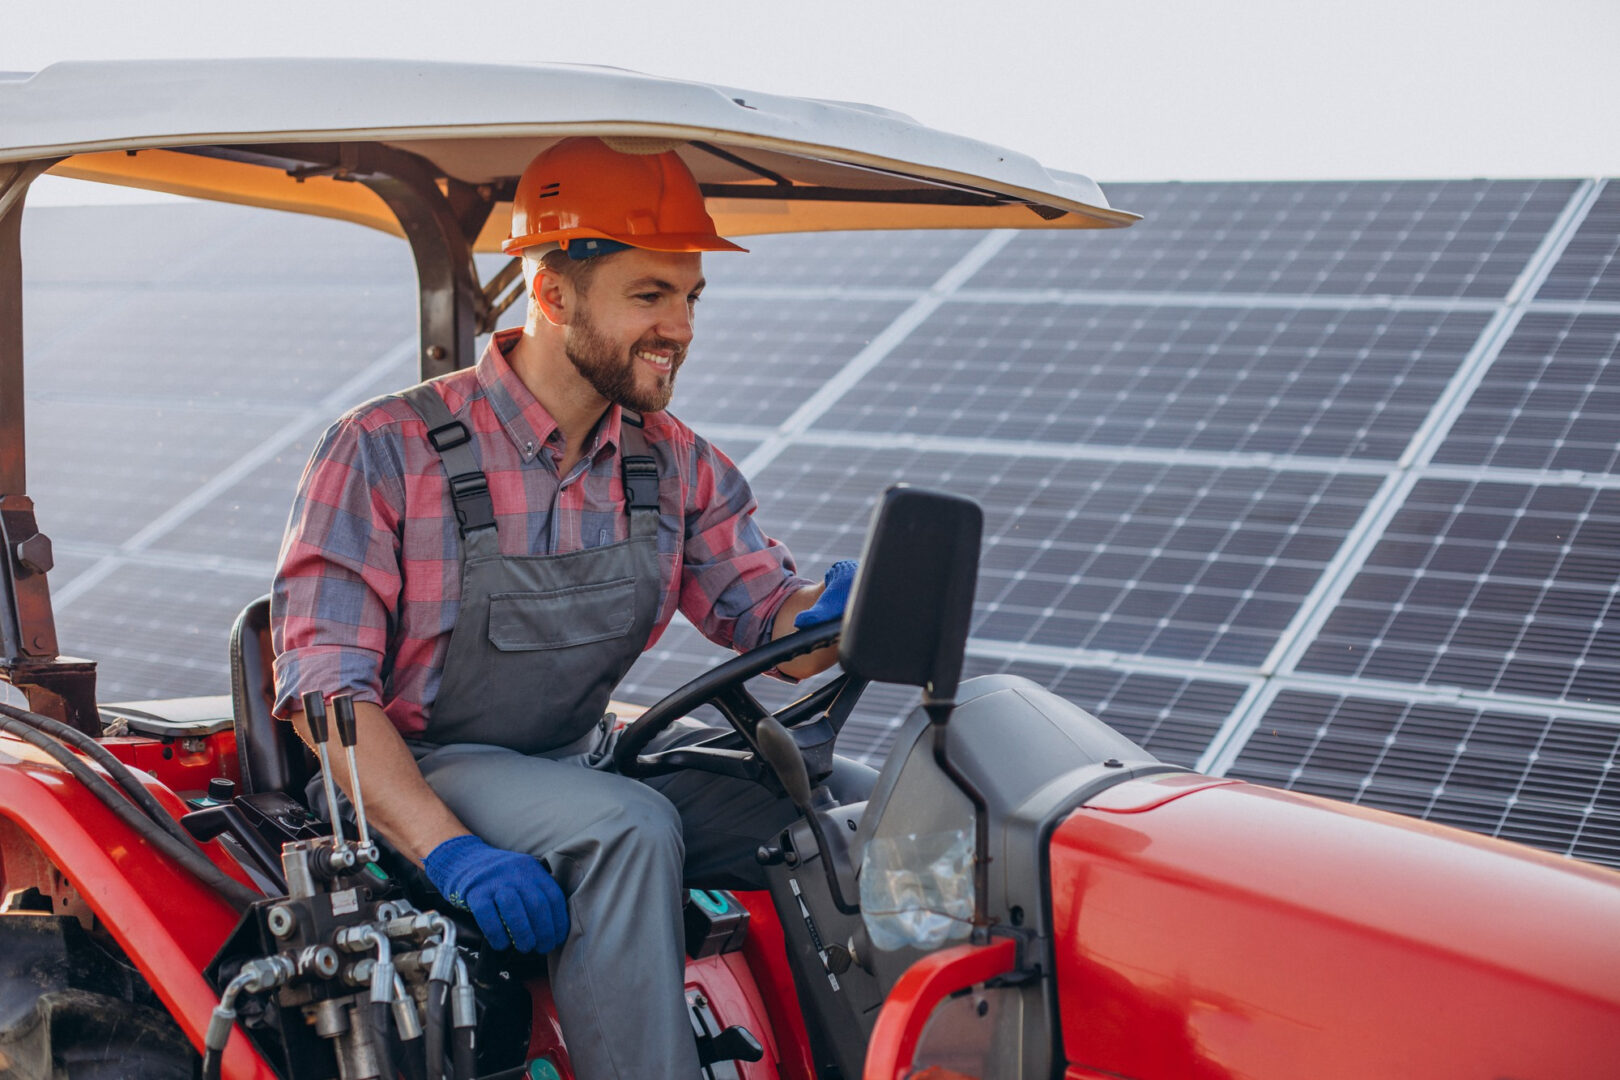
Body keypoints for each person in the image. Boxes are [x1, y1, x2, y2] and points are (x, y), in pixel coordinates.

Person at [270, 136, 876, 1079]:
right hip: (418, 769)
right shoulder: (384, 451)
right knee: (626, 828)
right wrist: (452, 852)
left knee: (856, 807)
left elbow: (768, 625)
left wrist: (833, 610)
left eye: (690, 297)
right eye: (650, 296)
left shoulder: (671, 461)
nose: (681, 326)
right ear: (552, 296)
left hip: (579, 757)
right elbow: (327, 700)